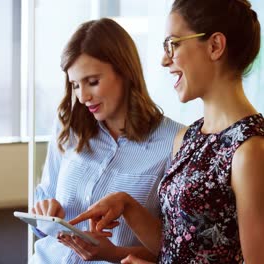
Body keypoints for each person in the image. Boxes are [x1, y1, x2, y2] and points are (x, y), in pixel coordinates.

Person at [67, 0, 264, 263]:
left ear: (215, 46)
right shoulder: (188, 137)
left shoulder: (251, 150)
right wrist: (125, 204)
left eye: (174, 44)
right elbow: (177, 243)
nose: (164, 59)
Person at [30, 18, 183, 264]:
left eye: (92, 82)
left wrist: (113, 254)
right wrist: (43, 213)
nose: (82, 97)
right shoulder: (68, 128)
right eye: (75, 85)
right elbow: (43, 200)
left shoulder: (173, 143)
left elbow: (176, 249)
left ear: (124, 71)